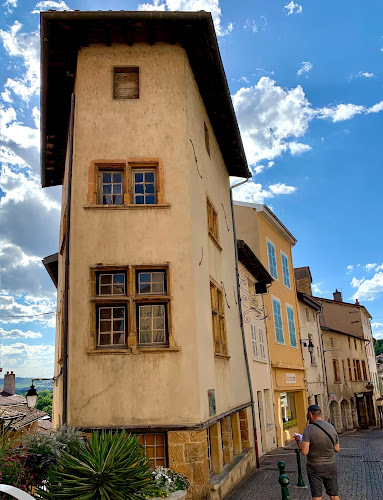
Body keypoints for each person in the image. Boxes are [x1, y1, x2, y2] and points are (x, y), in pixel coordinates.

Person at [295, 404, 340, 500]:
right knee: (334, 495)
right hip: (330, 465)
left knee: (317, 496)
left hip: (315, 467)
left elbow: (304, 451)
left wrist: (299, 441)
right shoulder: (331, 427)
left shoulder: (309, 429)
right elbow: (337, 448)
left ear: (310, 415)